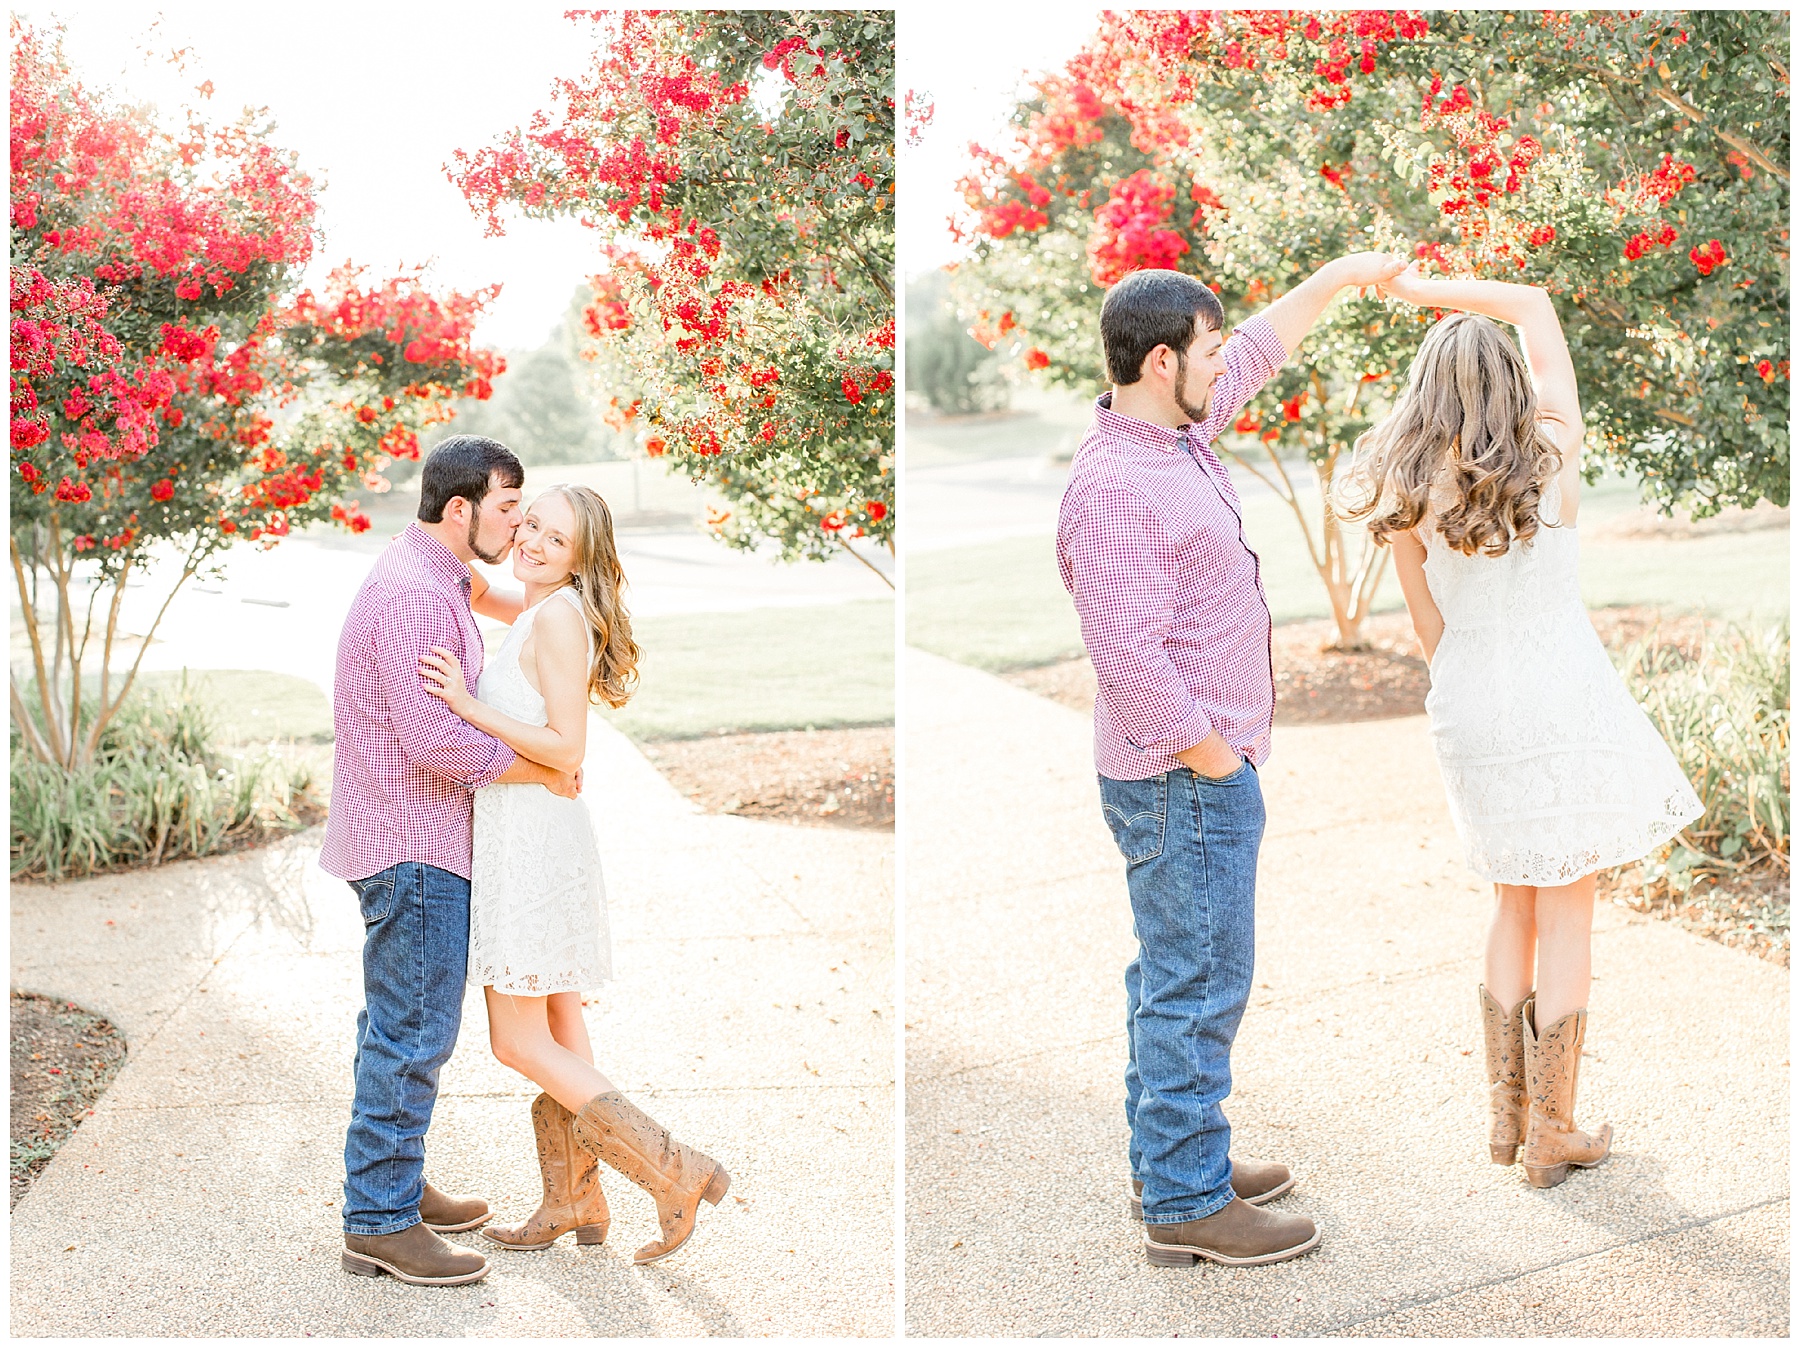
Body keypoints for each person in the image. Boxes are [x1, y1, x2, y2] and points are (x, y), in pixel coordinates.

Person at [1056, 254, 1406, 1269]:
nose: (1227, 359)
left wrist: (1340, 277)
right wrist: (1215, 760)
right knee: (1197, 982)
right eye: (1208, 348)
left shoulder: (1176, 429)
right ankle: (1185, 1200)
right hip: (1183, 778)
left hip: (1191, 774)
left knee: (1173, 972)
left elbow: (1259, 346)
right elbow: (1126, 654)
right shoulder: (1119, 483)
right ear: (1163, 361)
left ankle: (1172, 1156)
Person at [1339, 265, 1701, 1188]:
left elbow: (1429, 631)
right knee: (1569, 905)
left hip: (1469, 703)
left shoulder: (1407, 491)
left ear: (1423, 392)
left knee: (1511, 898)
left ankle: (1506, 1126)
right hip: (1559, 696)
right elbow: (1537, 304)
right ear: (1511, 385)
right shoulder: (1550, 450)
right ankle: (1555, 1131)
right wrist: (1427, 285)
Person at [418, 483, 730, 1265]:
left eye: (555, 540)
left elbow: (567, 749)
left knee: (515, 1042)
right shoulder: (535, 604)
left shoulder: (556, 618)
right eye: (529, 525)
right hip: (531, 835)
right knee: (559, 1027)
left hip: (531, 846)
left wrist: (463, 700)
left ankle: (675, 1169)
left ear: (582, 560)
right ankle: (574, 1199)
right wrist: (433, 530)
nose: (532, 542)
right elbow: (475, 582)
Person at [321, 434, 581, 1287]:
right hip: (414, 846)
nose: (518, 528)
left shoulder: (432, 571)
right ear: (462, 508)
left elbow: (515, 601)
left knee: (393, 1024)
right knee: (413, 1030)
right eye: (510, 509)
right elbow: (436, 742)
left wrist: (572, 602)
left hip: (402, 838)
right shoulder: (416, 600)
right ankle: (380, 1222)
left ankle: (390, 1183)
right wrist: (549, 768)